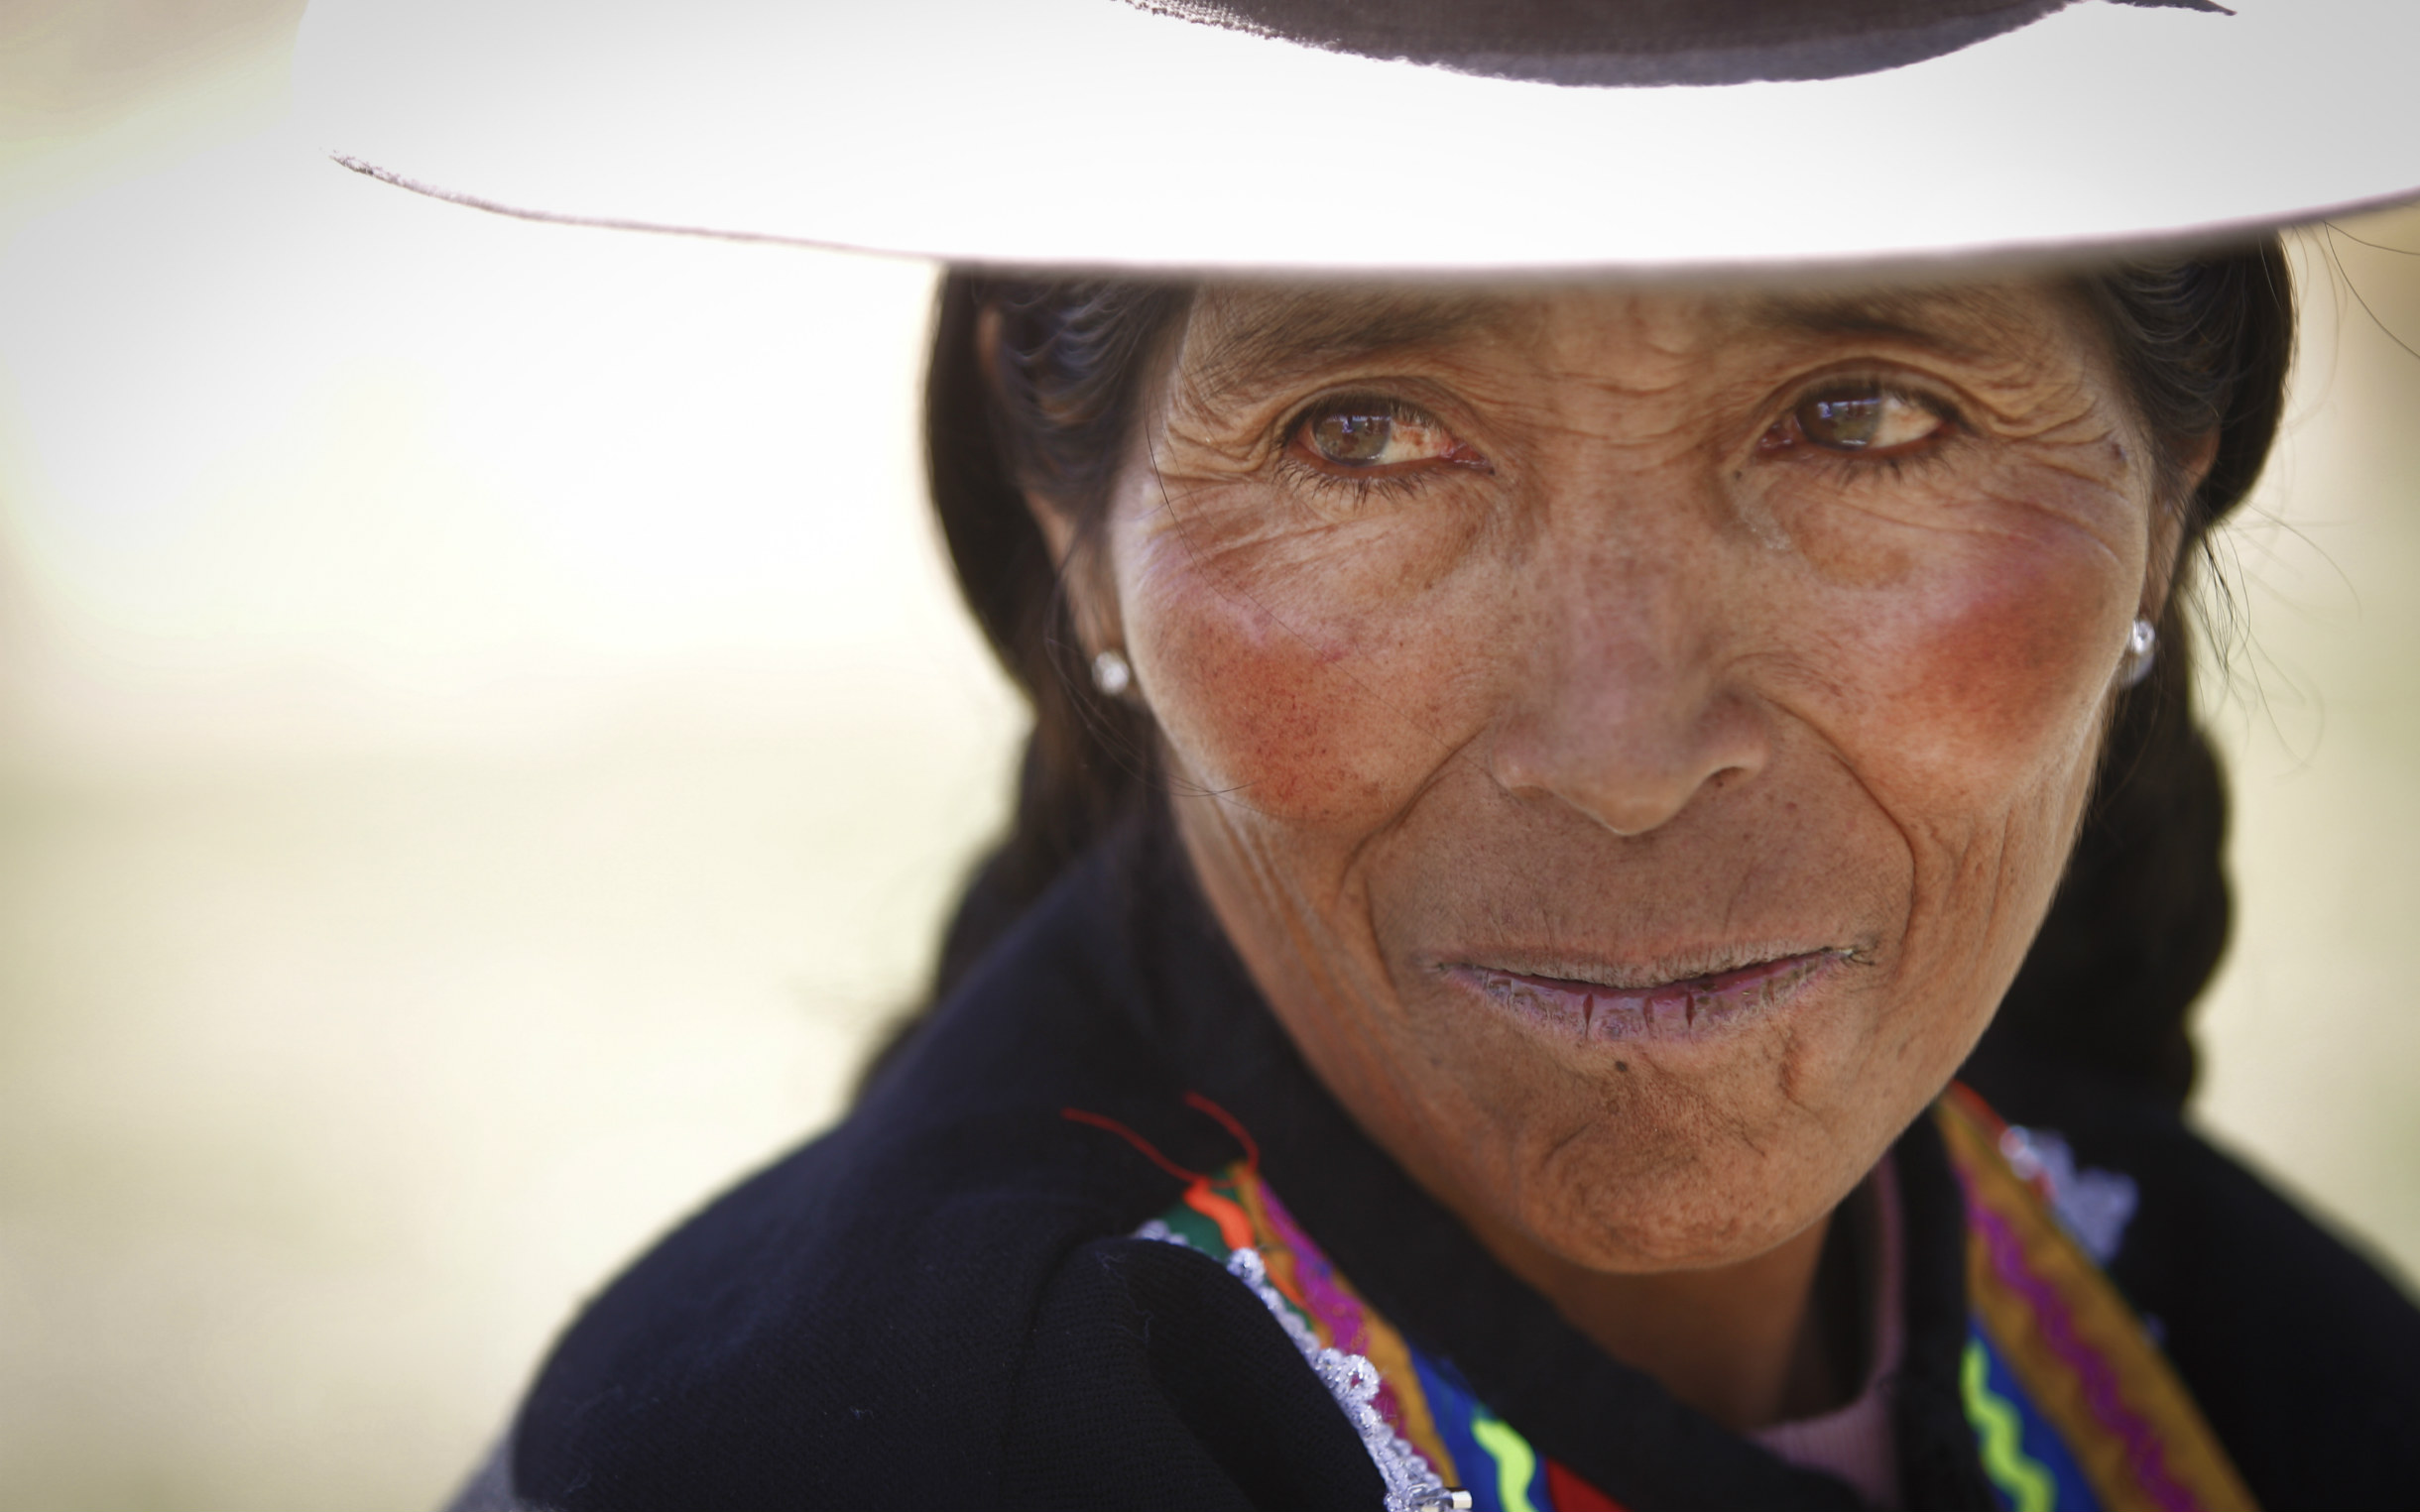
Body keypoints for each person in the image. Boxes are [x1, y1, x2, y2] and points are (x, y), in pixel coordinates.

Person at [302, 0, 2420, 1506]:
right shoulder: (885, 1436)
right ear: (1081, 523)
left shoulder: (2222, 1335)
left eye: (1858, 418)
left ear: (2177, 463)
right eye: (1364, 436)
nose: (1620, 747)